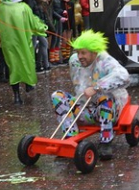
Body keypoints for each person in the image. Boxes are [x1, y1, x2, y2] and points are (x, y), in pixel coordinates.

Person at [51, 29, 130, 160]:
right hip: (84, 108)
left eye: (83, 53)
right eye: (78, 52)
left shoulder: (104, 60)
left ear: (94, 52)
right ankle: (71, 138)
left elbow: (123, 76)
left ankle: (105, 142)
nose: (80, 56)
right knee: (57, 96)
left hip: (108, 111)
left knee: (105, 98)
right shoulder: (74, 61)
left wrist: (97, 87)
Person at [0, 0, 48, 104]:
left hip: (8, 42)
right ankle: (28, 84)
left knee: (13, 66)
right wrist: (43, 27)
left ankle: (17, 96)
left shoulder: (0, 8)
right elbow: (34, 23)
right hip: (23, 42)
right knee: (26, 62)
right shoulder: (24, 8)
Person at [34, 0, 53, 73]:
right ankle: (45, 64)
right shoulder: (37, 7)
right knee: (44, 44)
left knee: (42, 46)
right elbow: (39, 19)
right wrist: (43, 27)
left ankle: (41, 64)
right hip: (39, 29)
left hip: (43, 28)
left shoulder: (45, 6)